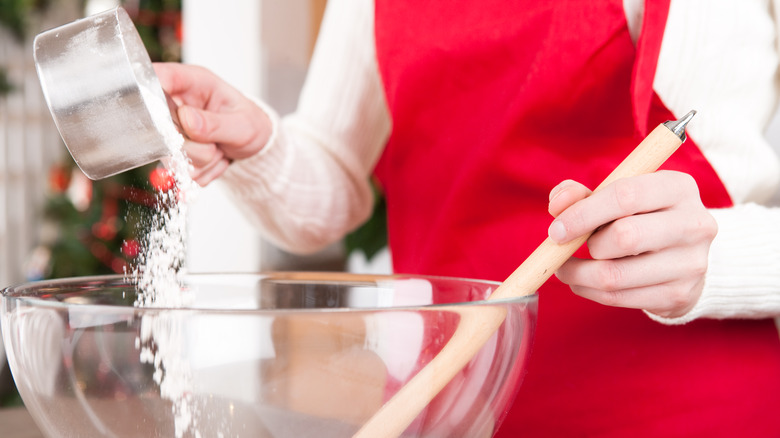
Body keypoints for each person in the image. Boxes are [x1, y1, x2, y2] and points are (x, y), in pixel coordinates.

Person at [154, 0, 780, 435]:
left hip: (687, 407)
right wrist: (260, 144)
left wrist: (719, 260)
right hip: (451, 410)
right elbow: (333, 182)